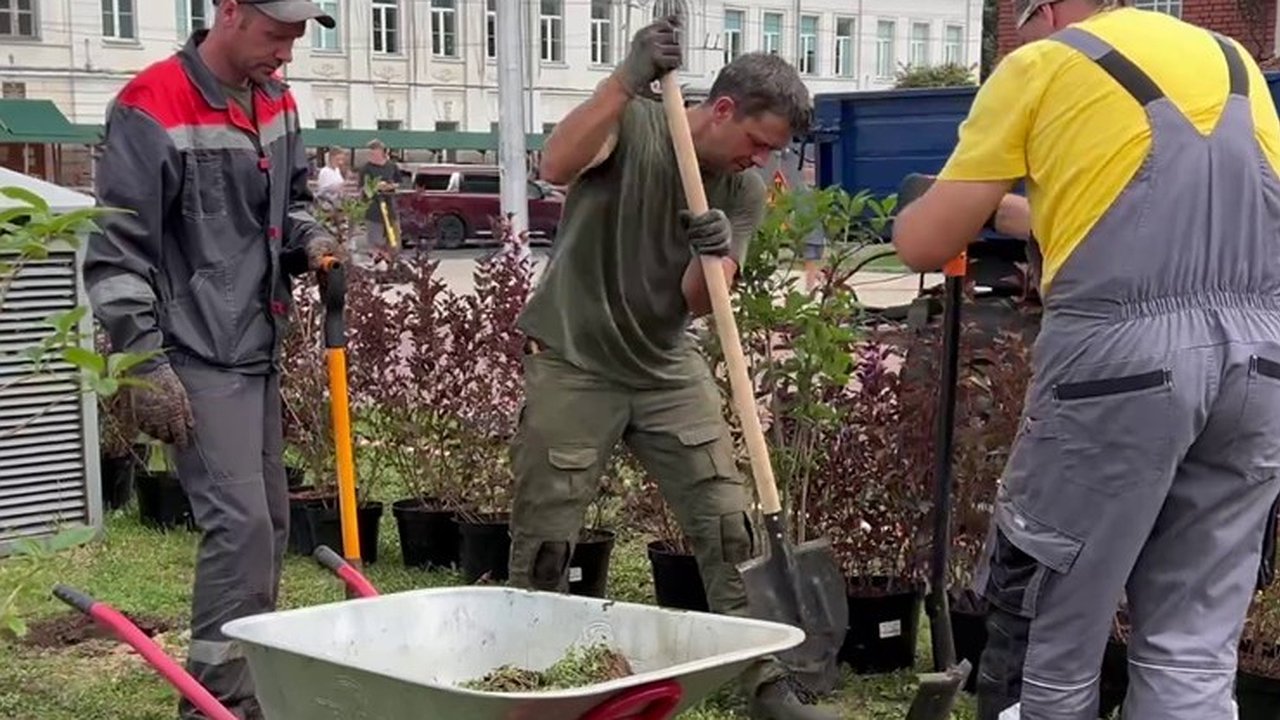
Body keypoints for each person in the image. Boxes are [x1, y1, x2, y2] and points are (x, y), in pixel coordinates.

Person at [890, 1, 1280, 718]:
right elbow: (1109, 206)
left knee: (1049, 640)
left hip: (1118, 374)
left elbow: (922, 244)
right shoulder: (1233, 63)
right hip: (1259, 370)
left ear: (1044, 8)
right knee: (1194, 650)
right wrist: (1011, 209)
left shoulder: (1042, 64)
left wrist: (921, 208)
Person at [507, 16, 833, 720]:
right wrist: (624, 80)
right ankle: (531, 677)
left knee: (730, 523)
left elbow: (697, 300)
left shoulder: (740, 192)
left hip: (664, 365)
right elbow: (556, 166)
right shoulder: (640, 124)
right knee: (548, 527)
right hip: (574, 359)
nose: (759, 161)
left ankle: (765, 682)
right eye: (756, 142)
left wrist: (711, 251)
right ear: (721, 110)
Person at [81, 1, 345, 718]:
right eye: (276, 35)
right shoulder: (151, 104)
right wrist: (143, 361)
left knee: (272, 529)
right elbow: (116, 252)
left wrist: (313, 239)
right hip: (190, 353)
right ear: (229, 11)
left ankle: (245, 689)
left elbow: (286, 204)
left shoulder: (276, 100)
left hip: (254, 347)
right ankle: (217, 705)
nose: (286, 55)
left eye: (295, 40)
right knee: (241, 527)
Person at [357, 138, 401, 264]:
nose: (370, 155)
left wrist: (390, 186)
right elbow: (362, 187)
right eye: (369, 153)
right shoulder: (366, 168)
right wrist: (375, 187)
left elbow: (399, 183)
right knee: (375, 241)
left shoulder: (392, 166)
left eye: (373, 153)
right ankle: (379, 263)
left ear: (381, 152)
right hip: (373, 210)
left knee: (394, 240)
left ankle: (391, 263)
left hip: (390, 208)